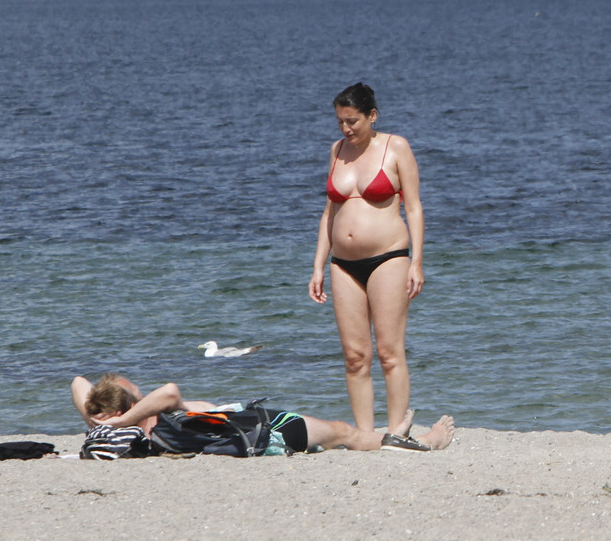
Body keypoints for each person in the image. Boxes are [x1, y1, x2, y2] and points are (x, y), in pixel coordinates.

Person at [309, 83, 424, 437]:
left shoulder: (396, 147)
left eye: (353, 121)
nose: (346, 129)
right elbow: (330, 211)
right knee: (355, 357)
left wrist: (416, 262)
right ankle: (365, 435)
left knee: (389, 352)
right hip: (343, 264)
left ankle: (396, 430)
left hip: (388, 257)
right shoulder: (337, 150)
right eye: (341, 121)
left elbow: (415, 207)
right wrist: (317, 265)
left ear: (372, 116)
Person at [71, 374, 455, 452]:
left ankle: (394, 434)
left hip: (247, 422)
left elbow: (77, 382)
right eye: (135, 391)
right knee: (342, 433)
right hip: (265, 430)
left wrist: (96, 417)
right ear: (127, 406)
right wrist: (125, 417)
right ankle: (421, 442)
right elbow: (170, 390)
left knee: (342, 433)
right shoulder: (152, 422)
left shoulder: (112, 426)